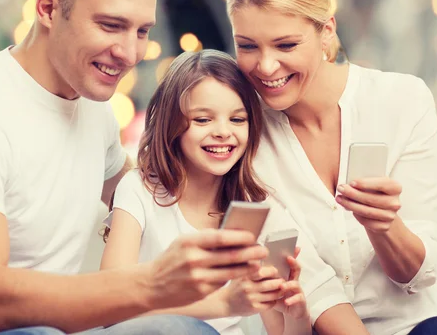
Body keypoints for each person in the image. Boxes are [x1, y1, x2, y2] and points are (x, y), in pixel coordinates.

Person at [0, 0, 268, 335]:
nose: (129, 53)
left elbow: (148, 186)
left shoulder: (94, 110)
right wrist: (153, 284)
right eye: (110, 25)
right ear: (49, 9)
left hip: (60, 331)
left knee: (182, 329)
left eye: (141, 31)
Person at [224, 0, 437, 335]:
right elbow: (308, 281)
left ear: (326, 31)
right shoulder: (243, 134)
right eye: (247, 46)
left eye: (286, 45)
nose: (266, 66)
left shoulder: (402, 101)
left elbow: (418, 275)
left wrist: (383, 226)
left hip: (421, 325)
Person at [101, 49, 370, 335]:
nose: (222, 131)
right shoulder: (140, 189)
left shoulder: (254, 208)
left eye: (237, 120)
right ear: (172, 124)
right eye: (203, 120)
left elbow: (282, 330)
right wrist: (221, 304)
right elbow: (110, 307)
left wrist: (296, 315)